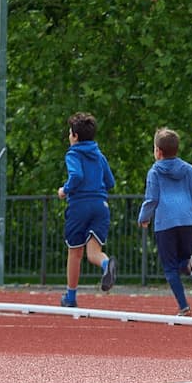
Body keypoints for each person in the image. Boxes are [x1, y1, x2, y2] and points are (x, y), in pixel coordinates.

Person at [137, 128, 192, 315]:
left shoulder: (155, 171)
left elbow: (152, 199)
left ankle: (184, 306)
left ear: (158, 151)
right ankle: (191, 265)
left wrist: (144, 217)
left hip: (166, 220)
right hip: (189, 218)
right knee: (183, 258)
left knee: (170, 267)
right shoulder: (188, 169)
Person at [58, 112, 117, 307]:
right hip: (101, 206)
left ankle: (71, 297)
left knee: (75, 253)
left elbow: (76, 176)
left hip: (80, 206)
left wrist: (64, 190)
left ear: (74, 136)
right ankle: (107, 264)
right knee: (94, 252)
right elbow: (110, 182)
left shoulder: (73, 154)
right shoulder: (100, 156)